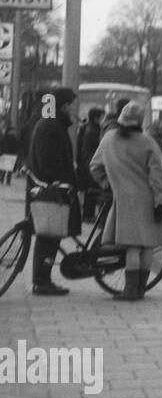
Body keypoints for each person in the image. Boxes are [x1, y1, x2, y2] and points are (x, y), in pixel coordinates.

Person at [89, 102, 162, 302]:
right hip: (149, 199)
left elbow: (94, 166)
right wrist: (160, 200)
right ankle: (140, 289)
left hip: (123, 200)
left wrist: (107, 184)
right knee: (147, 246)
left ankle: (130, 290)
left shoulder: (109, 140)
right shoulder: (149, 143)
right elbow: (157, 176)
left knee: (131, 247)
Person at [27, 87, 82, 296]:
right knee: (49, 237)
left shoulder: (51, 124)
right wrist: (61, 181)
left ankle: (43, 279)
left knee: (50, 237)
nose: (74, 110)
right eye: (72, 105)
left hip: (51, 191)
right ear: (64, 106)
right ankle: (41, 282)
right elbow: (48, 162)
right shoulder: (52, 127)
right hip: (52, 193)